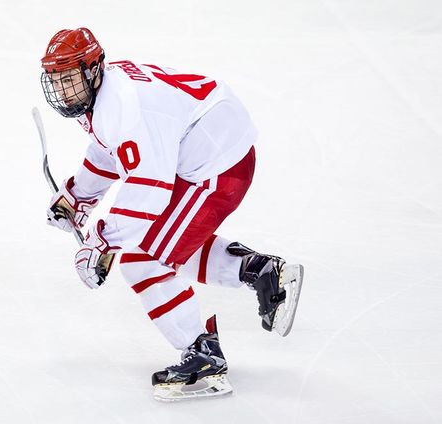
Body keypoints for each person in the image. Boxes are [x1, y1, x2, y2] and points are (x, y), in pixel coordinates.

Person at [40, 27, 304, 401]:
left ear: (94, 69)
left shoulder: (122, 106)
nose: (64, 90)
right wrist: (77, 197)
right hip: (206, 151)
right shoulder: (105, 95)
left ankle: (204, 357)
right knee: (164, 242)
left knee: (143, 259)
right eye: (56, 79)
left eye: (69, 78)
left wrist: (102, 241)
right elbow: (108, 150)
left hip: (217, 166)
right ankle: (264, 274)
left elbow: (149, 191)